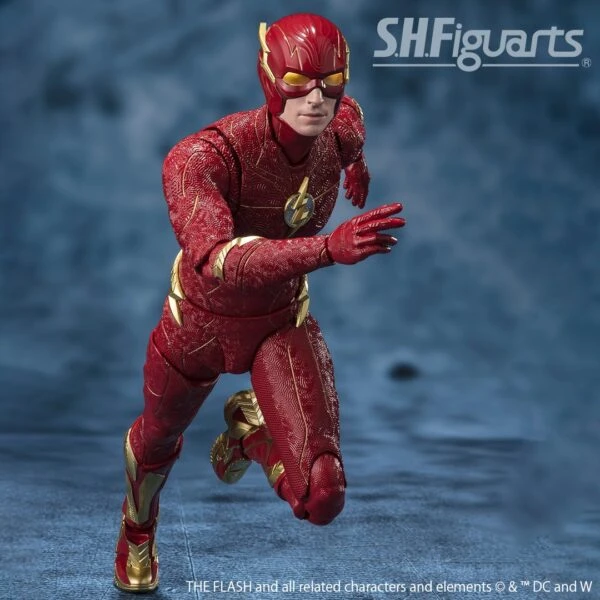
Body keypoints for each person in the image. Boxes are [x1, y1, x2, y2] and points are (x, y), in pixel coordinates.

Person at [114, 12, 405, 593]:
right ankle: (137, 529)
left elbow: (352, 129)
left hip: (278, 321)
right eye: (298, 83)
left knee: (322, 494)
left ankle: (248, 429)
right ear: (270, 77)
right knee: (157, 440)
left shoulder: (340, 126)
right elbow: (219, 258)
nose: (316, 100)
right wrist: (327, 249)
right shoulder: (203, 157)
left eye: (331, 82)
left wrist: (356, 169)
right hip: (199, 325)